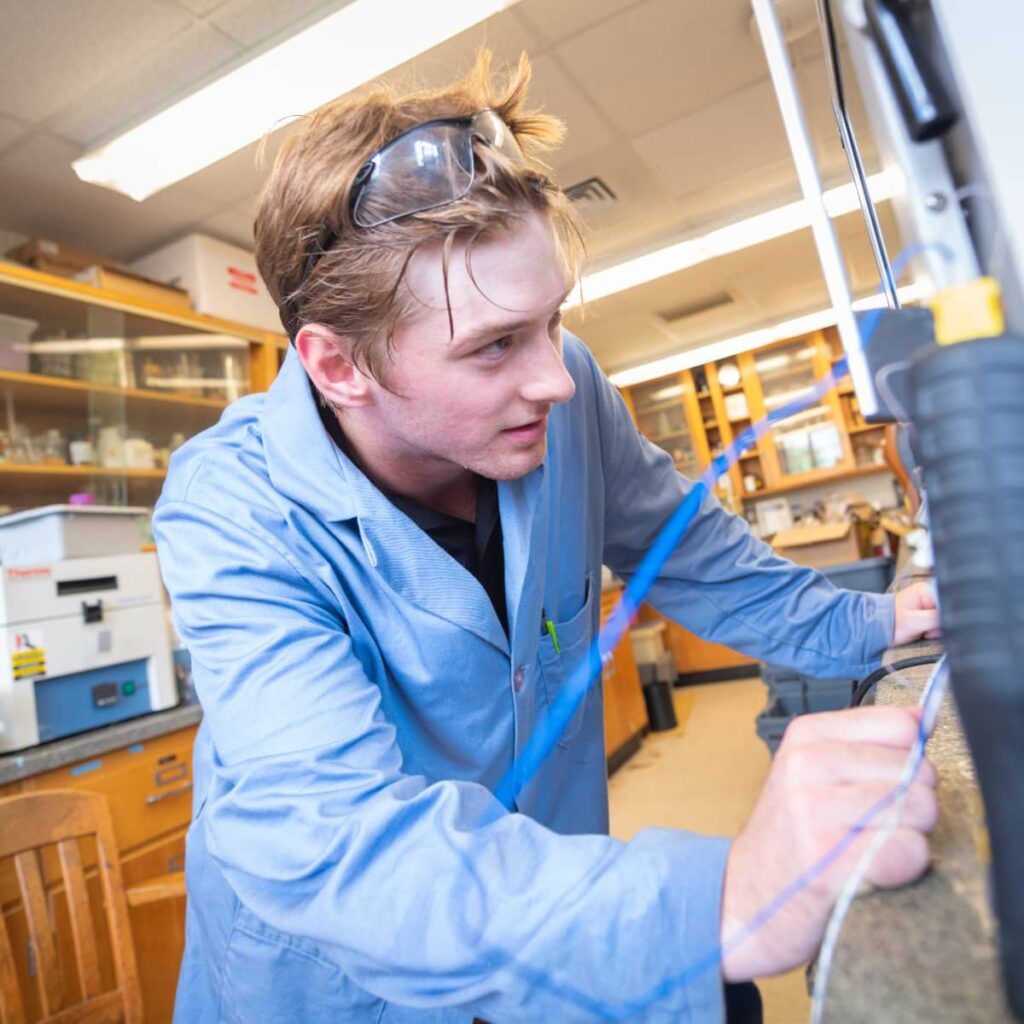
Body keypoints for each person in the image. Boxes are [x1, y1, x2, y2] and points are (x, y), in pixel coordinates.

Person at [154, 53, 940, 1023]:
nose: (556, 378)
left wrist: (879, 620)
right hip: (342, 984)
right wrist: (721, 902)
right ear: (339, 366)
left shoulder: (562, 391)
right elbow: (332, 836)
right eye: (493, 345)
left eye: (551, 320)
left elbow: (691, 555)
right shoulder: (231, 506)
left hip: (545, 918)